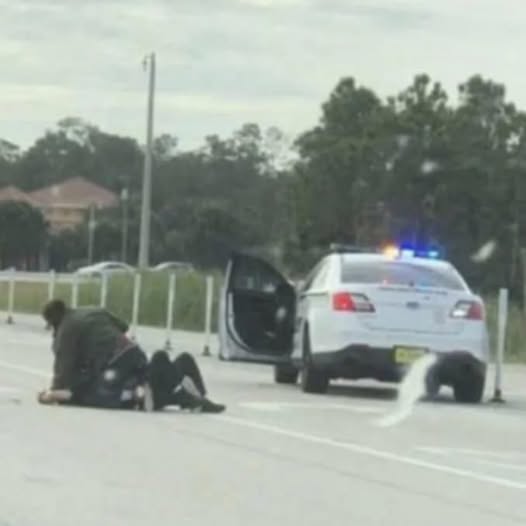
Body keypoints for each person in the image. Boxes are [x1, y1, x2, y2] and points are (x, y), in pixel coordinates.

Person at [38, 299, 225, 413]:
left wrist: (54, 390)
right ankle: (200, 398)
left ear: (53, 321)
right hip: (133, 352)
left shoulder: (65, 330)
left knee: (117, 386)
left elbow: (64, 366)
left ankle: (173, 397)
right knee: (177, 360)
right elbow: (124, 326)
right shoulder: (93, 310)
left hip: (113, 363)